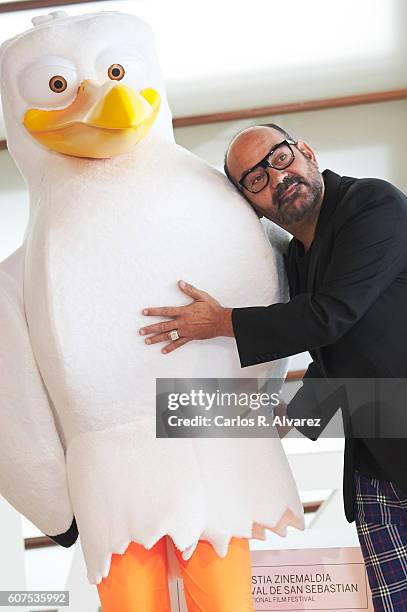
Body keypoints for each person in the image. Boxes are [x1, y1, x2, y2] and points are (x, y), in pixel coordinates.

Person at [140, 123, 407, 612]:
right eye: (255, 179)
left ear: (305, 151)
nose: (276, 177)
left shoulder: (374, 205)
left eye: (278, 159)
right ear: (250, 203)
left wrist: (219, 322)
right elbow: (338, 363)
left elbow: (331, 315)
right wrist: (273, 423)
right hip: (377, 465)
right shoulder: (298, 259)